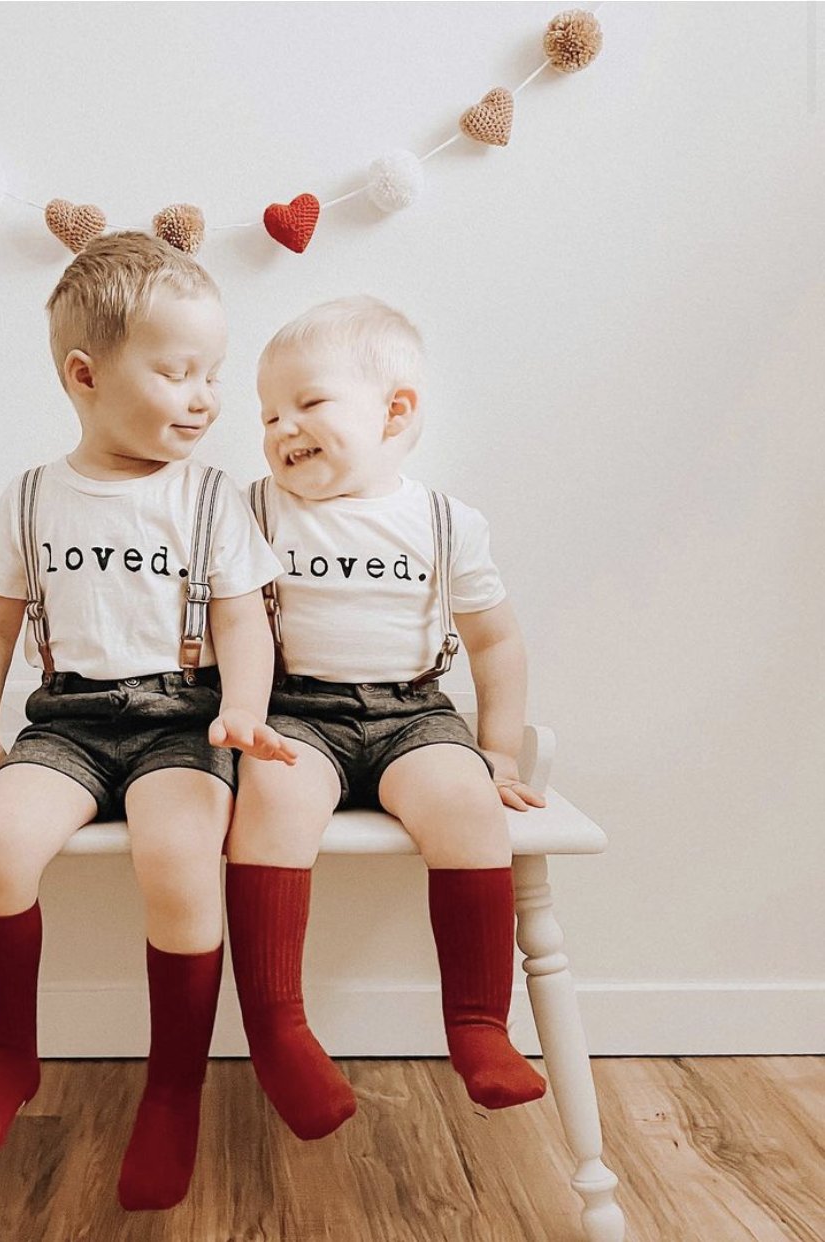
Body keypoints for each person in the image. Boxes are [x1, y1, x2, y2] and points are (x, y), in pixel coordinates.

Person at [0, 232, 293, 1212]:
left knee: (177, 860)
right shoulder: (32, 498)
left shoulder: (210, 498)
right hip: (70, 722)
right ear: (85, 376)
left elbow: (243, 620)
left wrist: (243, 709)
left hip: (184, 724)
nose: (205, 397)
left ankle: (172, 1092)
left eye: (213, 374)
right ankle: (7, 1059)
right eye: (177, 373)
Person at [226, 295, 549, 1142]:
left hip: (412, 713)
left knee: (466, 804)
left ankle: (479, 1024)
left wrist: (498, 752)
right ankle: (278, 1030)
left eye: (308, 402)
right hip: (297, 713)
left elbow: (496, 639)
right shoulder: (253, 512)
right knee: (272, 798)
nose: (282, 427)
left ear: (396, 411)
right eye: (267, 414)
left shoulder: (445, 522)